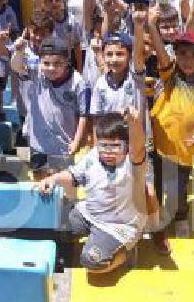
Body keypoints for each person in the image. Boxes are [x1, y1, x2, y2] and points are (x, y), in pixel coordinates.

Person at [146, 6, 194, 239]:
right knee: (157, 186)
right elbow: (160, 52)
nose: (188, 60)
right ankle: (156, 218)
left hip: (187, 147)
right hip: (160, 145)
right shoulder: (170, 74)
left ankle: (180, 215)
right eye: (182, 54)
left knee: (179, 188)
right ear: (175, 55)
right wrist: (151, 25)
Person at [36, 108, 147, 273]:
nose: (108, 152)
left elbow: (138, 147)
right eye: (103, 145)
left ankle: (126, 251)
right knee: (53, 226)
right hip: (88, 213)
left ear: (127, 145)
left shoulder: (132, 162)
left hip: (116, 227)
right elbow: (73, 176)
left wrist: (135, 122)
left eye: (115, 146)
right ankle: (94, 238)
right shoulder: (94, 156)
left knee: (92, 262)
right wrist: (53, 179)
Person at [11, 36, 88, 179]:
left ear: (67, 61)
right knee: (39, 181)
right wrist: (19, 51)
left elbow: (84, 115)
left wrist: (76, 141)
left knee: (63, 183)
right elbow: (16, 66)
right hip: (38, 143)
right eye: (46, 63)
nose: (51, 68)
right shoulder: (37, 73)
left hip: (64, 145)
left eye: (58, 63)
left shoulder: (78, 82)